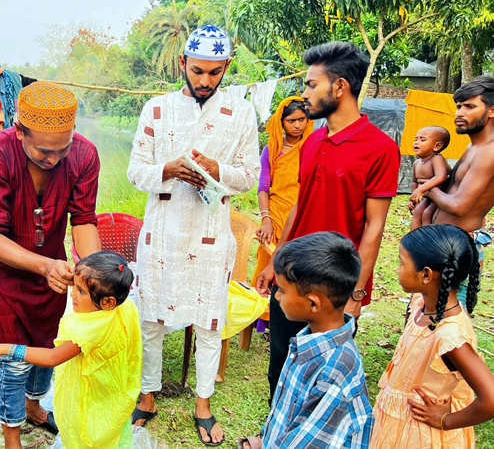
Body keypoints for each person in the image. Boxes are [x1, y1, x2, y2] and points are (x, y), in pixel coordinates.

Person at [127, 25, 260, 446]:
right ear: (182, 63)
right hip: (161, 234)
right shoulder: (156, 109)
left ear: (226, 68)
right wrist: (168, 169)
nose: (205, 81)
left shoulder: (241, 113)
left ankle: (203, 402)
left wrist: (217, 171)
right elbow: (135, 171)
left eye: (215, 73)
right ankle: (147, 394)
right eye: (198, 70)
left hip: (210, 234)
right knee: (150, 318)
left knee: (209, 322)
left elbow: (250, 176)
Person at [255, 41, 400, 401]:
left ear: (339, 87)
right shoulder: (312, 140)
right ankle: (277, 431)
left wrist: (356, 294)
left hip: (335, 285)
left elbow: (374, 227)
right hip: (292, 275)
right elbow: (298, 206)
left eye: (311, 84)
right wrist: (275, 261)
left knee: (322, 377)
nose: (304, 94)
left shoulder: (380, 148)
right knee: (280, 366)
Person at [0, 81, 101, 449]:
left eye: (64, 148)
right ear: (19, 131)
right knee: (12, 361)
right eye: (44, 151)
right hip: (4, 275)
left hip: (53, 274)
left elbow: (84, 219)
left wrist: (92, 273)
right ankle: (12, 438)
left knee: (48, 346)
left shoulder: (85, 155)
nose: (54, 160)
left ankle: (34, 407)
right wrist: (44, 266)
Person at [0, 251, 142, 449]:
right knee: (113, 428)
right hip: (110, 395)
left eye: (80, 291)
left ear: (107, 302)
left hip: (90, 405)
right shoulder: (124, 307)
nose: (72, 294)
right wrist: (80, 279)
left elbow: (52, 357)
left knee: (93, 438)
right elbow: (94, 288)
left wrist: (5, 348)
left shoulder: (90, 332)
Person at [238, 231, 373, 449]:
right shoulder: (309, 340)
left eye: (281, 290)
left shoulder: (335, 369)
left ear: (313, 304)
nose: (277, 296)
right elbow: (288, 409)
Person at [370, 224, 494, 448]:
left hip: (421, 437)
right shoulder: (421, 304)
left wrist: (446, 420)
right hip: (397, 428)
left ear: (426, 274)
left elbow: (491, 400)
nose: (397, 269)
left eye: (401, 263)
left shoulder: (449, 336)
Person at [426, 76, 494, 298]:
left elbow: (459, 206)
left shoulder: (489, 152)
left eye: (469, 106)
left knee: (447, 323)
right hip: (443, 242)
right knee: (423, 318)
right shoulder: (473, 146)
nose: (459, 113)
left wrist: (427, 189)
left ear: (492, 111)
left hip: (457, 249)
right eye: (458, 106)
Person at [252, 97, 313, 335]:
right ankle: (266, 322)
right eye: (291, 120)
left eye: (301, 120)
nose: (297, 125)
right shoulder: (272, 149)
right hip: (275, 216)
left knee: (299, 270)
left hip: (303, 214)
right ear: (281, 122)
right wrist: (266, 219)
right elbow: (263, 187)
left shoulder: (313, 147)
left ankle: (299, 318)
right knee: (268, 266)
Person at [408, 126, 451, 230]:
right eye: (415, 139)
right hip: (425, 197)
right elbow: (414, 182)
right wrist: (415, 198)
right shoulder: (416, 163)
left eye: (422, 140)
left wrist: (420, 189)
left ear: (437, 146)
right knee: (417, 211)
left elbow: (441, 176)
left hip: (438, 197)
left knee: (427, 213)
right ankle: (413, 239)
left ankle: (428, 240)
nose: (416, 142)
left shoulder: (436, 159)